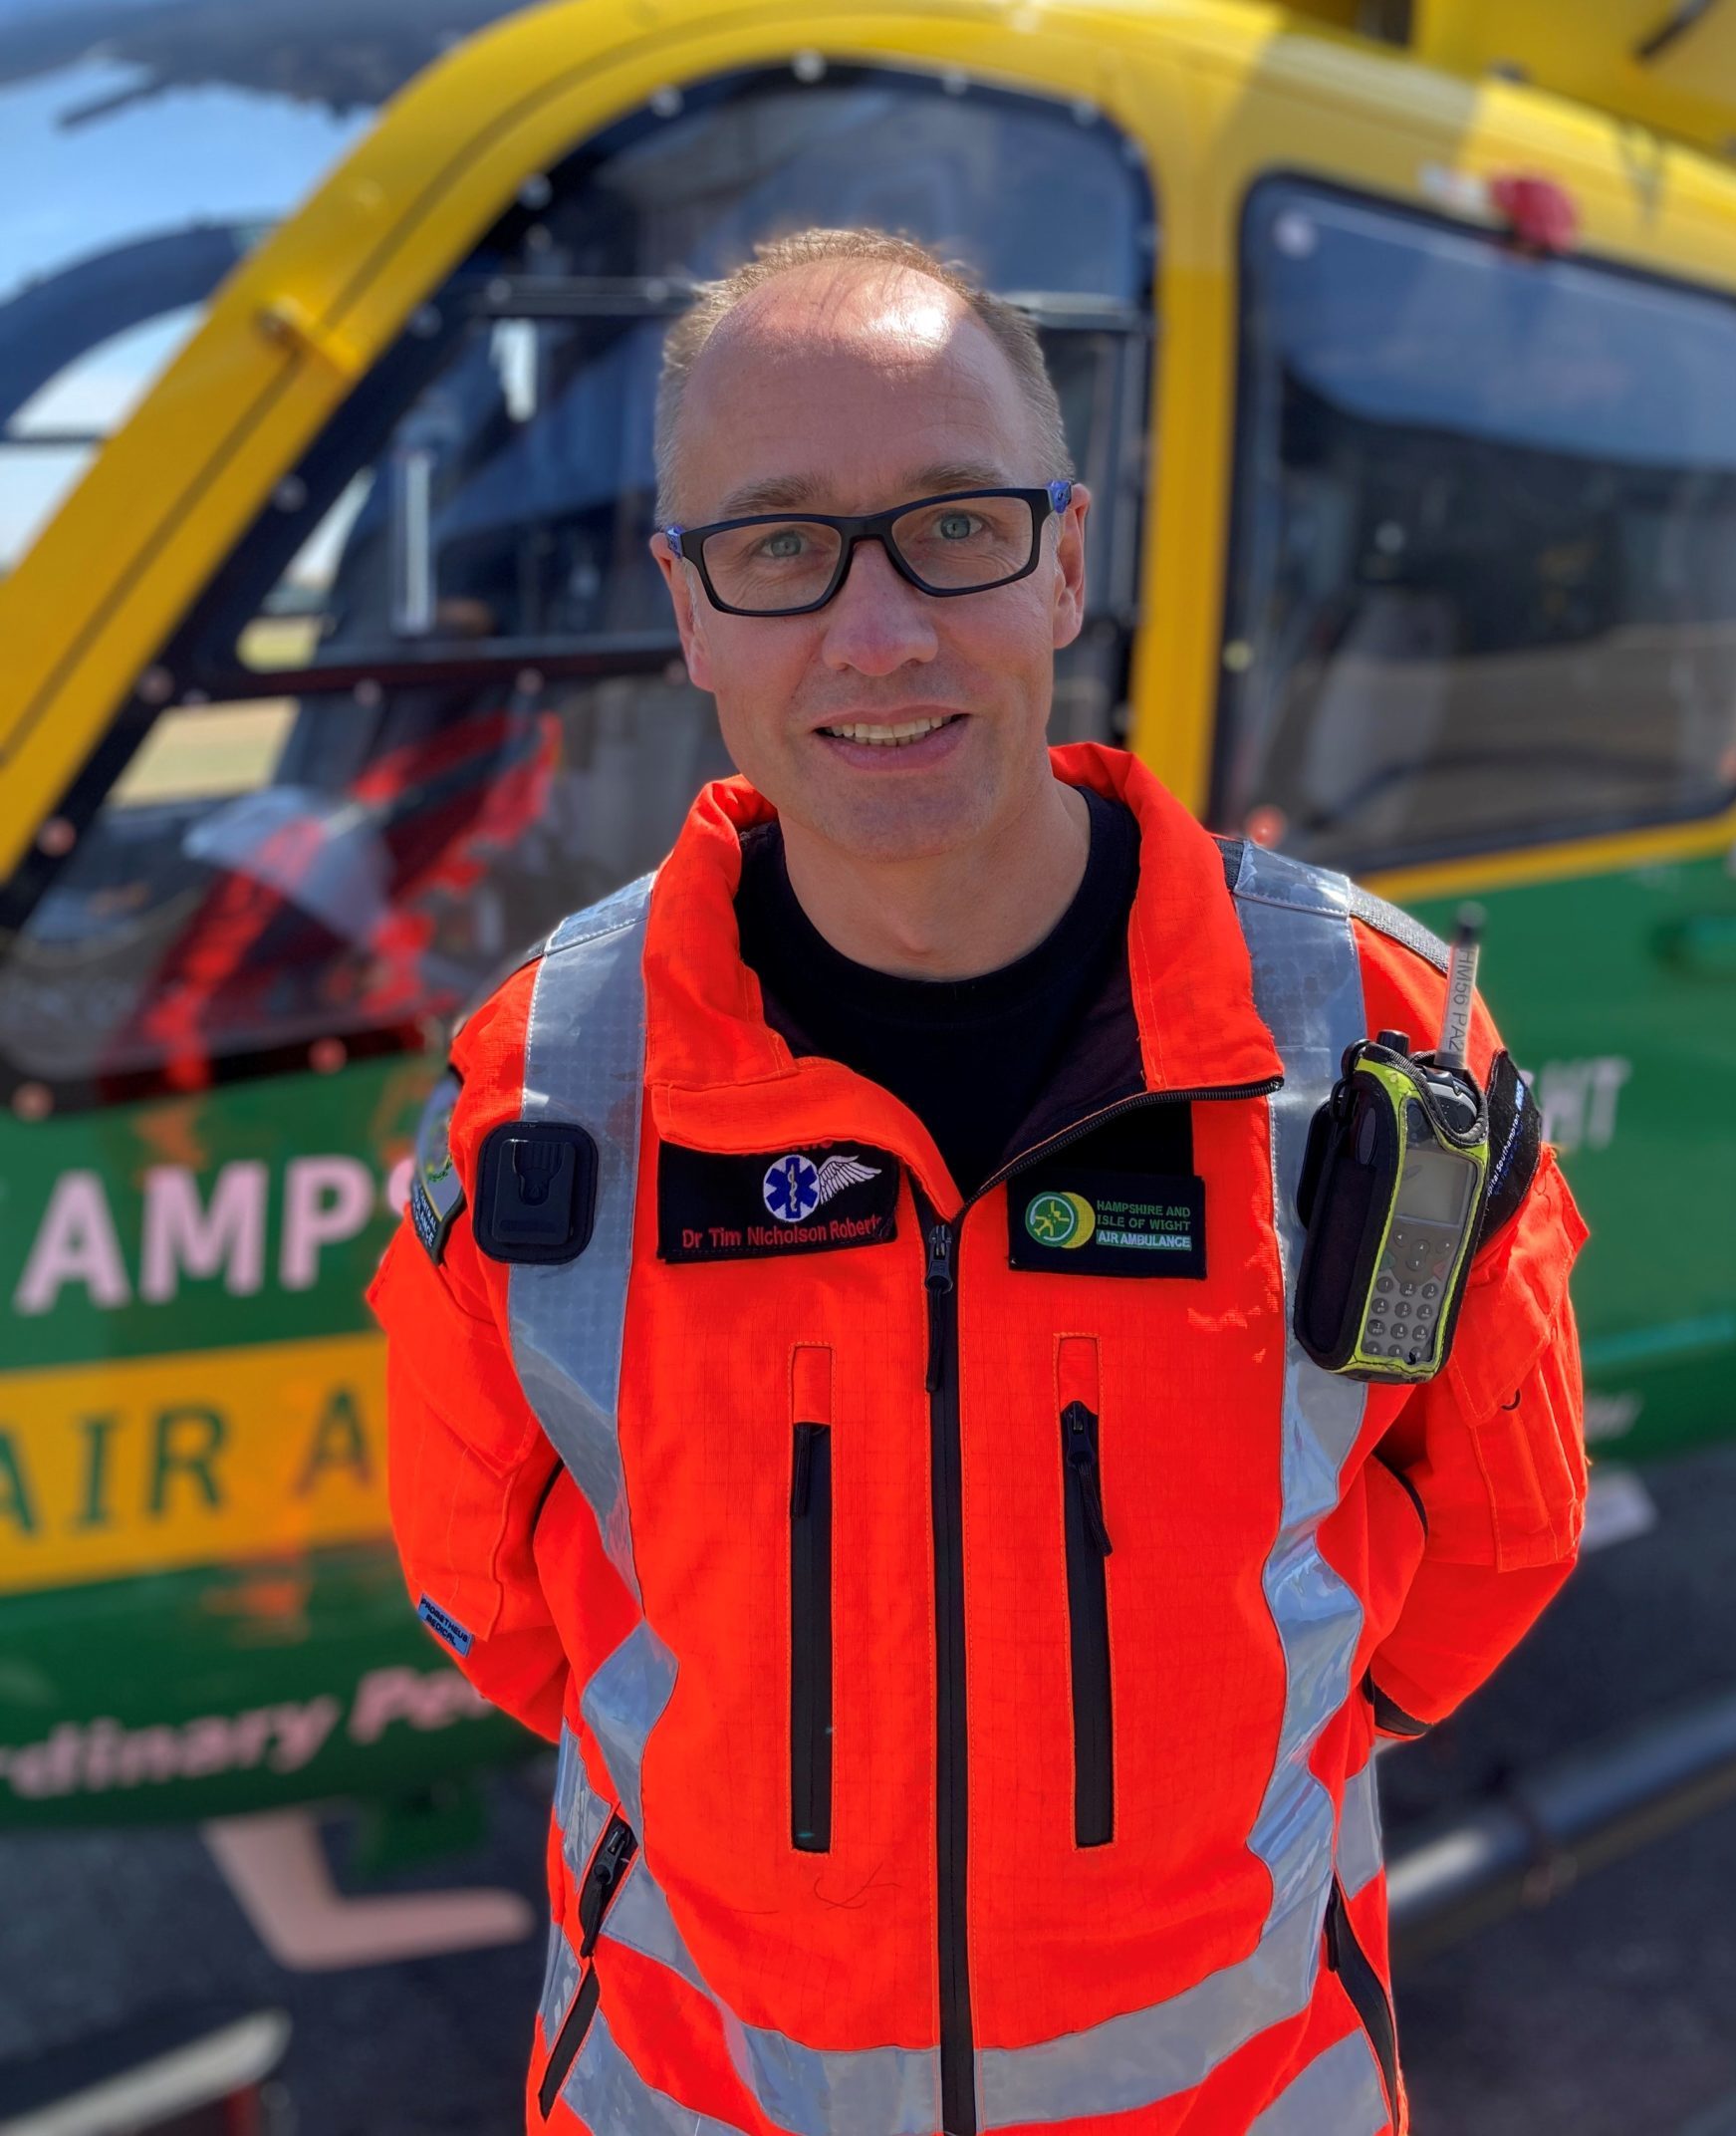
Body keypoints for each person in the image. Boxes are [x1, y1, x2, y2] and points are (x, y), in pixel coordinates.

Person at [370, 226, 1589, 2136]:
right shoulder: (539, 1097)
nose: (878, 633)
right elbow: (493, 1594)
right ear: (689, 612)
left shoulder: (1379, 1042)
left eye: (957, 524)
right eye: (780, 548)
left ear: (1068, 562)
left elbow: (1495, 1542)